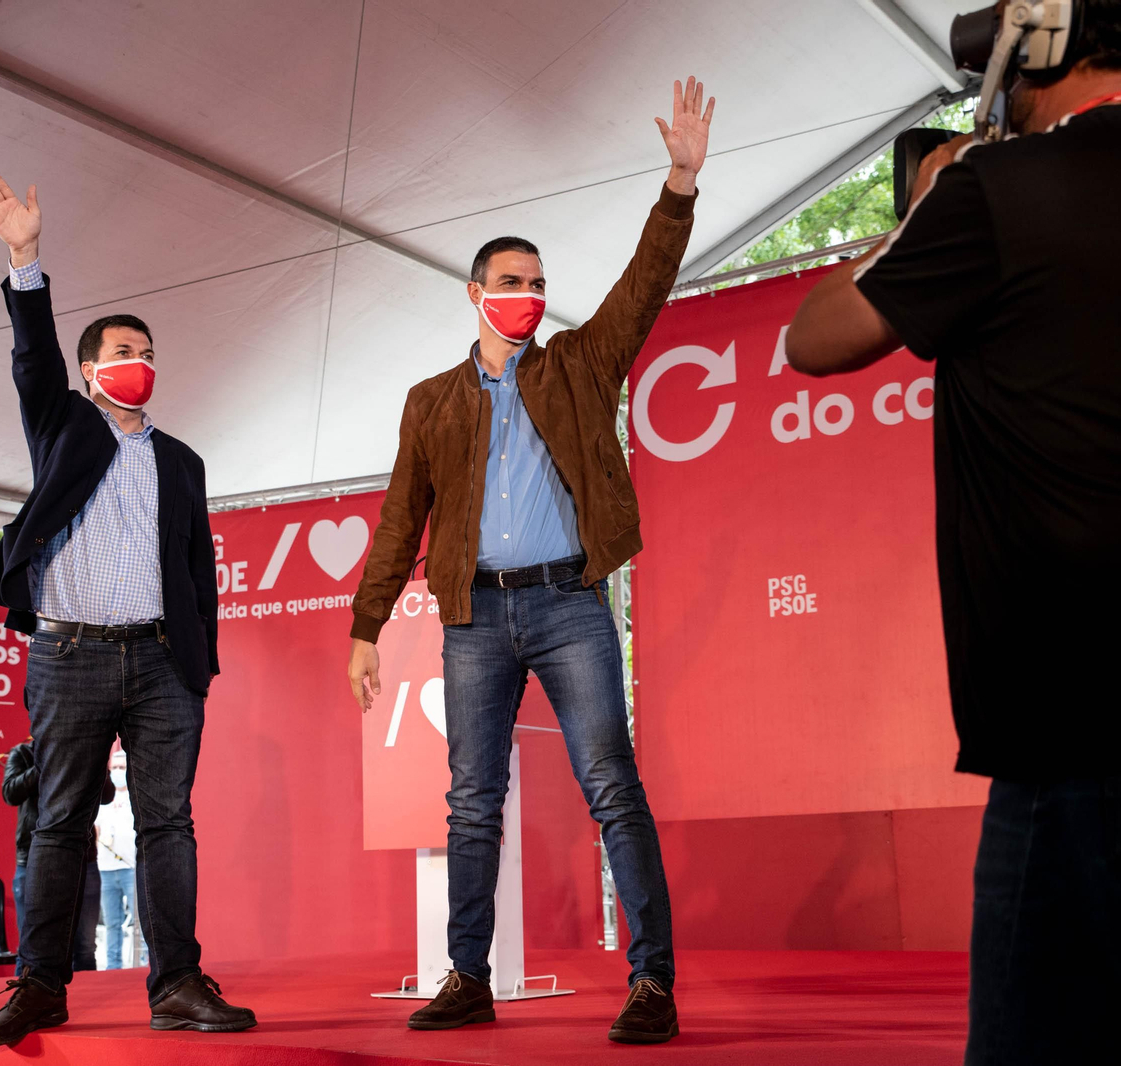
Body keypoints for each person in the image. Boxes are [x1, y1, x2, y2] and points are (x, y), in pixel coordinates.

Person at [785, 3, 1121, 1062]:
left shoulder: (995, 189)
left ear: (1046, 47)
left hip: (1096, 720)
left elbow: (816, 339)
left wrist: (920, 212)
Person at [346, 77, 713, 1045]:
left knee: (610, 785)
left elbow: (644, 283)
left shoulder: (579, 364)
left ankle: (652, 982)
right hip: (472, 617)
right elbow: (398, 517)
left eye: (535, 281)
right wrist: (364, 624)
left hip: (569, 604)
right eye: (508, 281)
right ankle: (467, 977)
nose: (525, 294)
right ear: (474, 294)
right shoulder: (431, 400)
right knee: (471, 801)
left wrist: (677, 186)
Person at [0, 170, 252, 1046]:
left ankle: (177, 985)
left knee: (169, 820)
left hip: (164, 663)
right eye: (122, 351)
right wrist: (25, 257)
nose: (140, 361)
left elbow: (199, 570)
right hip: (71, 656)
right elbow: (31, 357)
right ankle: (40, 986)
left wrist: (197, 666)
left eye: (148, 349)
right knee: (58, 822)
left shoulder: (185, 461)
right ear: (93, 371)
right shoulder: (64, 425)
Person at [2, 740, 114, 974]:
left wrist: (93, 757)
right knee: (30, 946)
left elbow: (107, 795)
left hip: (83, 857)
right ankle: (25, 1001)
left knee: (84, 946)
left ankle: (91, 1005)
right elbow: (11, 793)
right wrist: (46, 762)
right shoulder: (23, 753)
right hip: (33, 858)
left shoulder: (85, 749)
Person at [95, 746, 144, 970]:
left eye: (121, 767)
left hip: (130, 867)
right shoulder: (101, 798)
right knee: (112, 923)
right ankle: (113, 967)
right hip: (105, 868)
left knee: (139, 921)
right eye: (114, 767)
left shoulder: (136, 796)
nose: (117, 771)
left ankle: (144, 962)